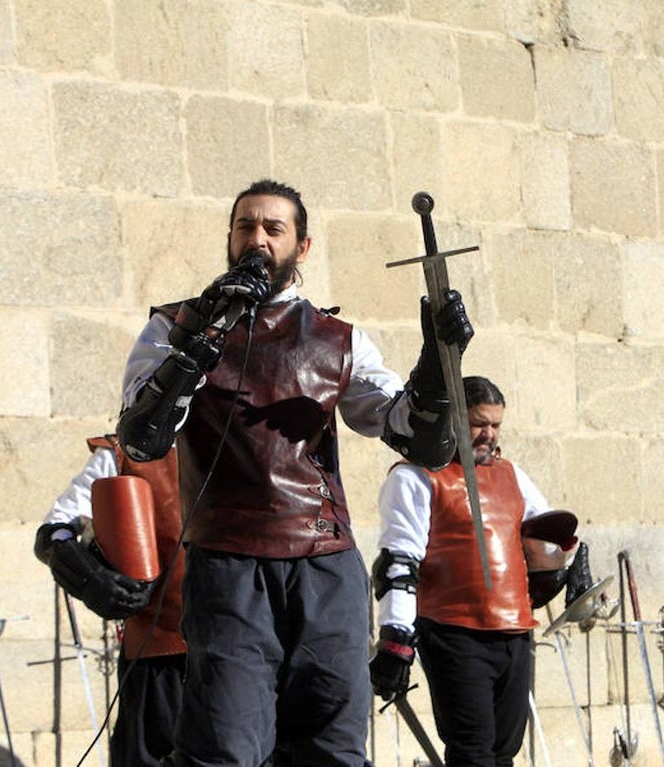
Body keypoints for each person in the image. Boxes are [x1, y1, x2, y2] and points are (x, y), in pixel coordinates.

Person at [113, 179, 474, 767]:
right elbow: (143, 435)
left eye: (273, 229)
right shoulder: (171, 325)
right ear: (229, 237)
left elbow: (414, 436)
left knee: (330, 749)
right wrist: (197, 340)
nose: (257, 239)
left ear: (301, 247)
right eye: (245, 227)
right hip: (229, 565)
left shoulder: (337, 340)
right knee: (224, 749)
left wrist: (437, 361)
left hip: (323, 565)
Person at [369, 375, 594, 767]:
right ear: (452, 420)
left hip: (514, 631)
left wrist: (576, 560)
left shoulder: (511, 474)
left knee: (504, 753)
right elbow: (400, 562)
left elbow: (548, 530)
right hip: (453, 633)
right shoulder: (415, 477)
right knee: (472, 751)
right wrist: (396, 638)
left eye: (495, 425)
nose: (488, 434)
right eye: (478, 423)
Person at [34, 434, 186, 767]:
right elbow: (56, 529)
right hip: (160, 654)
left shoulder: (244, 439)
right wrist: (89, 576)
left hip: (247, 649)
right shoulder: (126, 452)